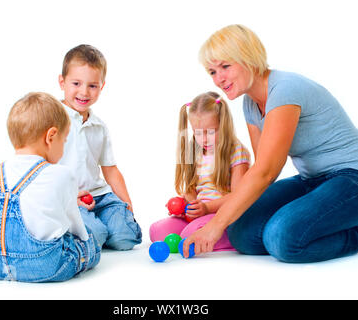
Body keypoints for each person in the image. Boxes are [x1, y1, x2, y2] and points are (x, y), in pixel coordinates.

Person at [182, 24, 358, 263]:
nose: (219, 79)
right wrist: (220, 211)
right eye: (212, 72)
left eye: (225, 66)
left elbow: (266, 171)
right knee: (241, 234)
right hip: (311, 179)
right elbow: (260, 168)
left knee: (283, 238)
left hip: (350, 178)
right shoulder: (250, 104)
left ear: (249, 58)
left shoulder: (284, 90)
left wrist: (214, 225)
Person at [0, 92, 101, 282]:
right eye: (64, 140)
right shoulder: (62, 174)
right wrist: (87, 241)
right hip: (45, 265)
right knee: (90, 242)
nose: (64, 146)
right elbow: (77, 229)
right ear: (51, 137)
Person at [58, 44, 142, 251]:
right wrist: (67, 199)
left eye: (92, 86)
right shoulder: (52, 119)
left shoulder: (99, 126)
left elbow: (110, 170)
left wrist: (127, 205)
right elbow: (40, 166)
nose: (84, 92)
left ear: (102, 86)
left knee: (125, 237)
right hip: (69, 199)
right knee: (97, 233)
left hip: (100, 196)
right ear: (62, 82)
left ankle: (97, 230)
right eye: (76, 83)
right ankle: (87, 231)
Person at [149, 92, 250, 251]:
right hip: (200, 215)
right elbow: (191, 188)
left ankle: (230, 238)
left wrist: (207, 208)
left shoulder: (236, 151)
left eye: (211, 132)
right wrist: (187, 205)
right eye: (197, 133)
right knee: (157, 231)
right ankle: (194, 233)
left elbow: (239, 196)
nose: (204, 139)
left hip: (222, 217)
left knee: (190, 234)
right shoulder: (194, 150)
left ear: (223, 125)